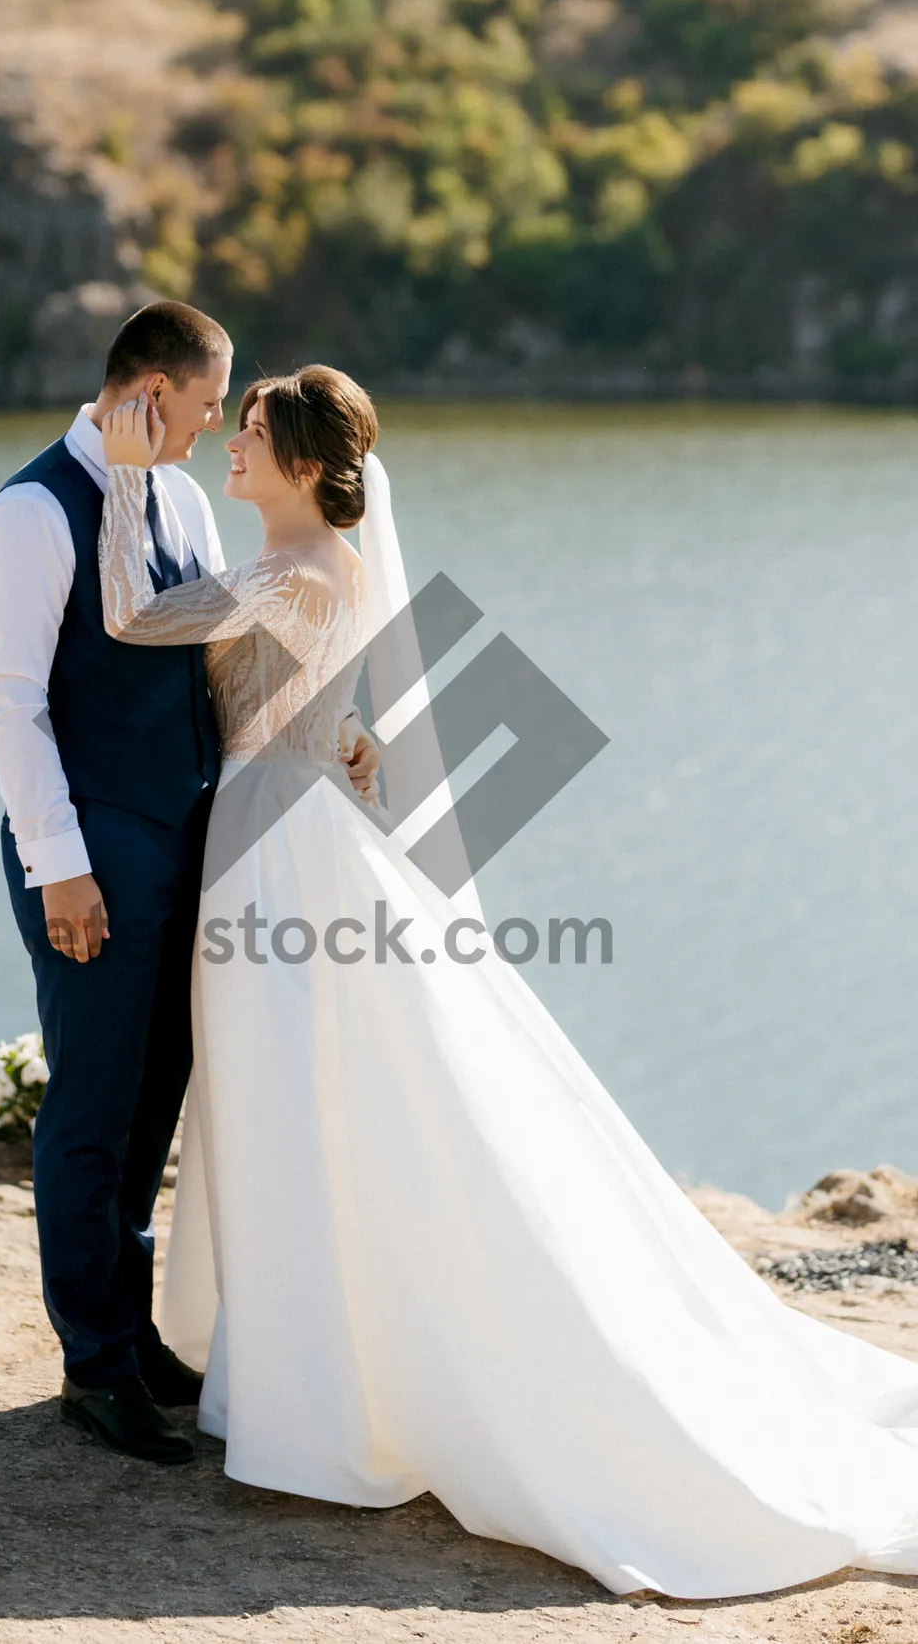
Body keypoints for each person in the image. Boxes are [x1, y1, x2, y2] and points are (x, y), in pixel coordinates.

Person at [96, 364, 918, 1600]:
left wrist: (119, 473)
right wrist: (343, 735)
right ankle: (310, 1370)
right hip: (296, 834)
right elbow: (317, 706)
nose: (233, 450)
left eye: (252, 434)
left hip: (285, 861)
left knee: (297, 1106)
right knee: (308, 1104)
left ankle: (322, 1393)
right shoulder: (334, 569)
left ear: (310, 466)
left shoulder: (290, 567)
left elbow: (130, 619)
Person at [0, 304, 379, 1467]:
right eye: (203, 406)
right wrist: (62, 869)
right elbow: (13, 702)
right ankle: (92, 1366)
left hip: (200, 848)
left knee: (156, 1103)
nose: (209, 431)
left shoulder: (191, 503)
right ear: (148, 391)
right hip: (93, 858)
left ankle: (133, 1333)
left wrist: (329, 734)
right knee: (93, 1107)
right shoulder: (30, 512)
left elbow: (230, 664)